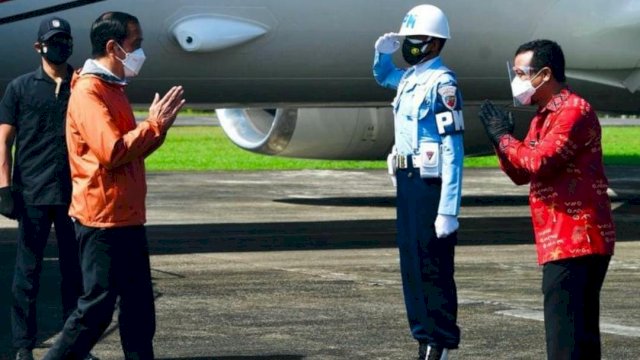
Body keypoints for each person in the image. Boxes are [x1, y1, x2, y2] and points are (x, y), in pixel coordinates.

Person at [43, 11, 185, 360]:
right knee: (96, 311)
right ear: (113, 46)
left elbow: (130, 153)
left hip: (126, 216)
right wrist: (152, 126)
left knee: (139, 310)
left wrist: (158, 129)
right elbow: (112, 151)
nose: (140, 52)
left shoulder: (113, 88)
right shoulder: (90, 91)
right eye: (135, 44)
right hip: (103, 219)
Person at [478, 39, 616, 359]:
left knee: (565, 341)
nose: (516, 81)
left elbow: (540, 161)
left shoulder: (573, 112)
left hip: (577, 239)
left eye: (520, 73)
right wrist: (501, 145)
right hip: (560, 241)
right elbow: (522, 174)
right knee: (576, 338)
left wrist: (505, 138)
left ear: (543, 74)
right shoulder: (544, 116)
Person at [0, 16, 100, 360]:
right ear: (38, 46)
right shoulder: (20, 87)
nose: (61, 45)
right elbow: (4, 140)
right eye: (53, 40)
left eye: (65, 39)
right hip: (32, 195)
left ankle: (75, 348)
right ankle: (22, 347)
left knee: (76, 276)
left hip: (75, 196)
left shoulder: (83, 86)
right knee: (27, 276)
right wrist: (4, 187)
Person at [372, 4, 464, 360]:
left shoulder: (443, 83)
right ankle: (422, 336)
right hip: (408, 178)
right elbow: (384, 77)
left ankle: (440, 340)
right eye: (406, 39)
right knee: (410, 260)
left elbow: (453, 149)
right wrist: (380, 54)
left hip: (432, 183)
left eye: (415, 39)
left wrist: (448, 209)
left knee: (432, 263)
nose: (409, 45)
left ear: (435, 43)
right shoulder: (410, 79)